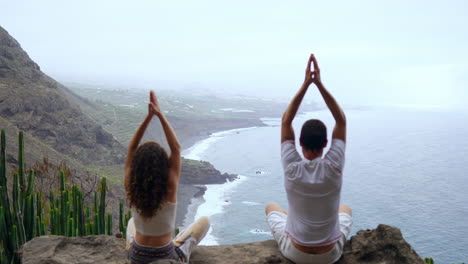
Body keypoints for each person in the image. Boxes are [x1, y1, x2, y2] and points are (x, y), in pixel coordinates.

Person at [265, 54, 352, 264]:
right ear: (325, 144)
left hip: (296, 253)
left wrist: (306, 84)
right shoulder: (334, 167)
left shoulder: (292, 167)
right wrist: (319, 84)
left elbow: (286, 120)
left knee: (270, 207)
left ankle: (292, 222)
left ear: (300, 144)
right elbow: (340, 120)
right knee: (346, 209)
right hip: (330, 255)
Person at [125, 90, 210, 264]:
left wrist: (148, 118)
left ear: (137, 168)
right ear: (164, 167)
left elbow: (132, 148)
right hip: (166, 257)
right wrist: (159, 114)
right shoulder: (169, 188)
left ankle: (133, 246)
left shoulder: (131, 187)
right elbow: (176, 148)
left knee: (131, 223)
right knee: (205, 221)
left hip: (136, 256)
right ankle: (178, 244)